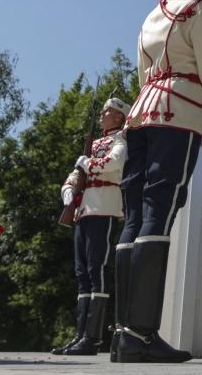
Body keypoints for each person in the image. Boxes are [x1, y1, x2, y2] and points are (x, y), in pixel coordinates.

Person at [113, 0, 202, 364]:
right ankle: (141, 333)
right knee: (158, 213)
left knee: (133, 216)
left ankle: (122, 331)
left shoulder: (148, 20)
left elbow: (143, 72)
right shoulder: (197, 10)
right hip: (178, 112)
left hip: (141, 114)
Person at [52, 97, 129, 356]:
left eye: (106, 111)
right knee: (82, 275)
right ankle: (79, 335)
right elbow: (75, 175)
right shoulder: (94, 144)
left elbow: (114, 165)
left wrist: (87, 163)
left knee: (97, 272)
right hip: (83, 212)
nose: (101, 115)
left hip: (104, 209)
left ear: (118, 117)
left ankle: (92, 338)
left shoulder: (120, 140)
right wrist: (68, 191)